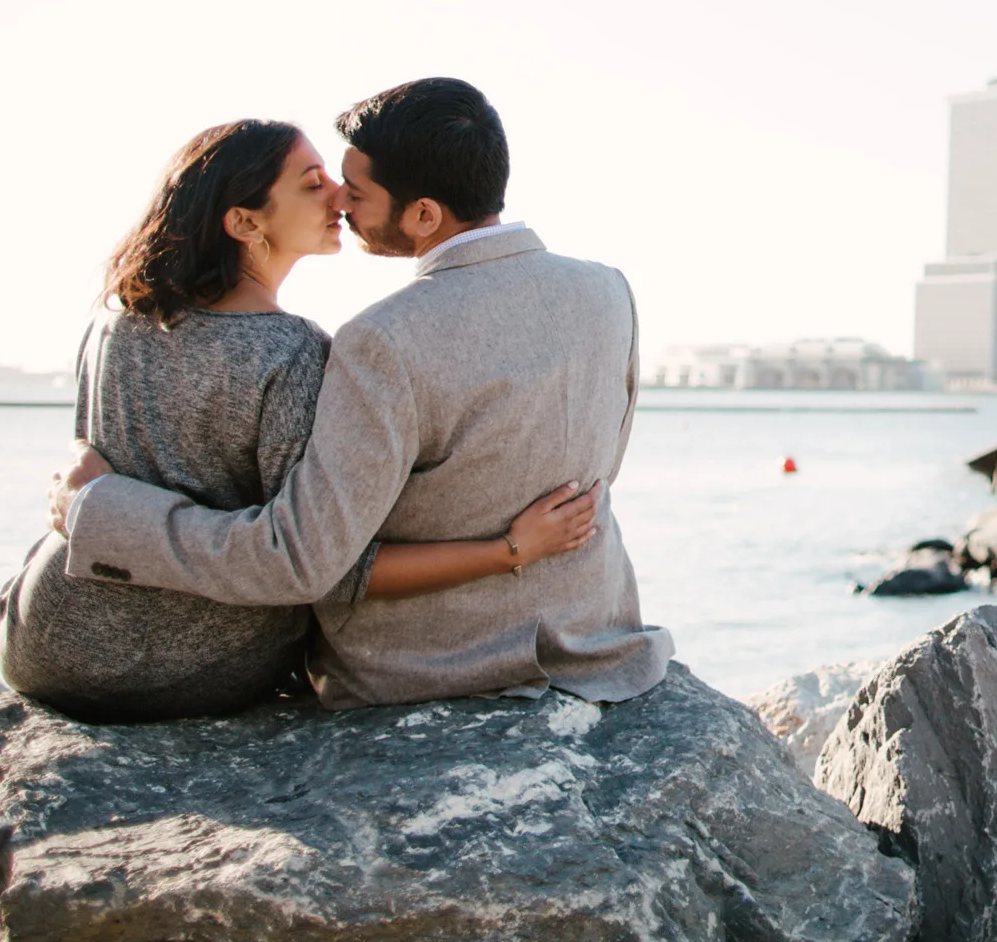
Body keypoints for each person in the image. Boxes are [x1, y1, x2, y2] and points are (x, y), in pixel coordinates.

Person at [60, 78, 672, 708]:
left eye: (356, 192)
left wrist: (101, 511)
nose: (340, 202)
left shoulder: (383, 337)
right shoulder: (609, 290)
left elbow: (307, 558)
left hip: (426, 663)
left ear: (424, 215)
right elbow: (602, 469)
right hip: (593, 635)